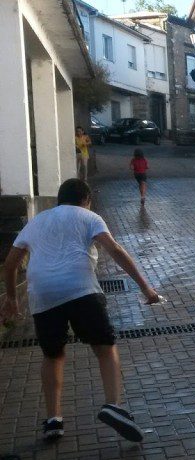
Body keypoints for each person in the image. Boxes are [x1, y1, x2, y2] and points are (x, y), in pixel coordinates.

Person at [1, 178, 160, 442]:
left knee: (53, 355)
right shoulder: (89, 217)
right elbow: (115, 250)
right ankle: (113, 405)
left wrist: (11, 298)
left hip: (42, 293)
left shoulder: (36, 221)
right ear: (86, 200)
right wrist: (146, 288)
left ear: (58, 199)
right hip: (80, 289)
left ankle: (54, 419)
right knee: (105, 346)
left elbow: (10, 264)